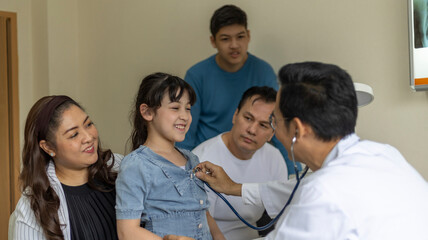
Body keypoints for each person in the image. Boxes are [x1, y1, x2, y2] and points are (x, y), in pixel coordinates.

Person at [173, 61, 428, 240]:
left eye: (272, 122)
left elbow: (311, 193)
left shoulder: (324, 192)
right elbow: (293, 188)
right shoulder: (385, 154)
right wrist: (232, 187)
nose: (258, 130)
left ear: (296, 129)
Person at [175, 5, 300, 175]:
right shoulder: (197, 75)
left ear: (248, 36)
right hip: (207, 162)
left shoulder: (263, 71)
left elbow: (277, 125)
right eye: (225, 39)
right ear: (213, 41)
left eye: (240, 37)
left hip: (252, 158)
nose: (234, 45)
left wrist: (295, 173)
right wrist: (185, 173)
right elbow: (185, 132)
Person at [115, 73, 225, 240]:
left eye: (188, 108)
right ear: (147, 112)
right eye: (175, 108)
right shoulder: (136, 165)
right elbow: (127, 232)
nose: (185, 116)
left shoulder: (192, 159)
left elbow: (204, 214)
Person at [8, 95, 122, 240]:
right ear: (48, 147)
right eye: (74, 134)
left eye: (88, 124)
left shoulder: (119, 168)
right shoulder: (33, 207)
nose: (88, 137)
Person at [192, 86, 288, 240]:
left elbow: (284, 212)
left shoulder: (274, 158)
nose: (252, 129)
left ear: (272, 133)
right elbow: (200, 222)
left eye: (263, 125)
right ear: (235, 116)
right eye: (248, 118)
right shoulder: (202, 157)